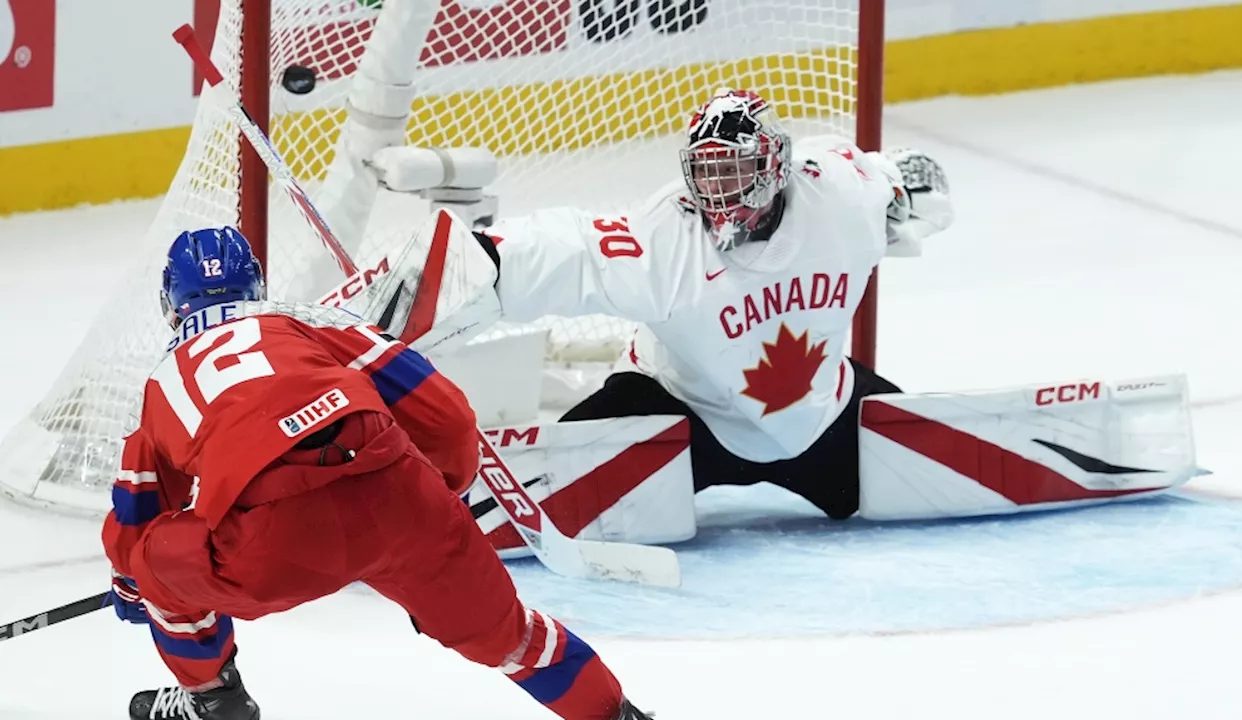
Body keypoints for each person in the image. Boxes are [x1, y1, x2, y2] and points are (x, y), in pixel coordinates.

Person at [103, 227, 651, 720]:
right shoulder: (314, 321)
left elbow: (136, 518)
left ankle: (212, 698)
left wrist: (134, 590)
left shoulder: (158, 384)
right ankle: (614, 715)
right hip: (403, 498)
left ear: (170, 305)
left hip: (278, 544)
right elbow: (449, 417)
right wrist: (442, 500)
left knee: (153, 559)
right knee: (513, 639)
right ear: (257, 285)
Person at [472, 88, 955, 520]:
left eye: (735, 169)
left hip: (818, 415)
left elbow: (902, 182)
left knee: (934, 477)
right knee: (562, 477)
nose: (718, 188)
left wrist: (910, 192)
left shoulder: (841, 192)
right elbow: (568, 250)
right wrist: (478, 259)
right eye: (708, 172)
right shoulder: (663, 236)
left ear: (774, 164)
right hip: (677, 414)